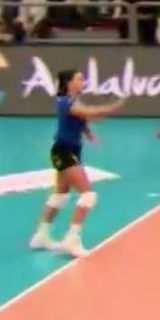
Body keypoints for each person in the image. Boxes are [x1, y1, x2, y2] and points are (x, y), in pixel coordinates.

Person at [30, 69, 121, 257]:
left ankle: (41, 236)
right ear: (69, 82)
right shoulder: (65, 101)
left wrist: (89, 132)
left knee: (60, 195)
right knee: (88, 195)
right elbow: (85, 112)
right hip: (63, 152)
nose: (83, 81)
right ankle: (71, 240)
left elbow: (83, 118)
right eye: (79, 78)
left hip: (70, 152)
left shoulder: (74, 101)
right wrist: (110, 108)